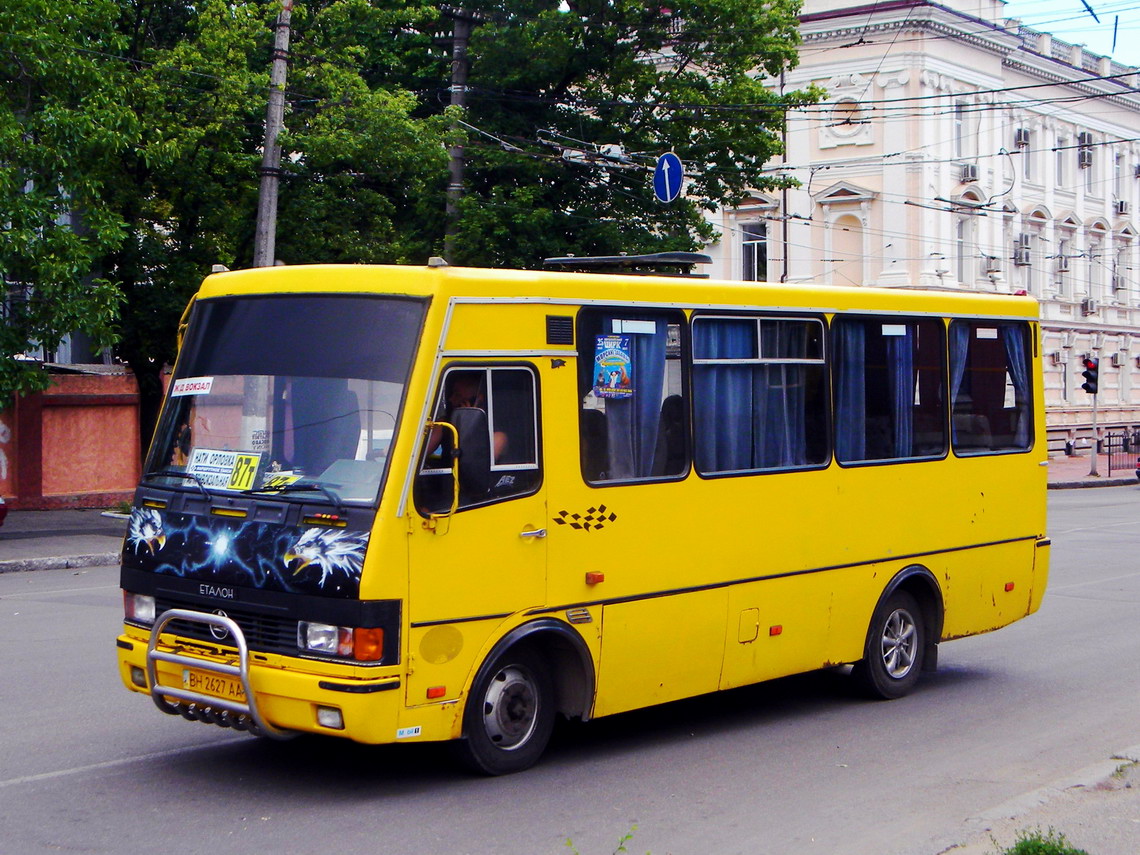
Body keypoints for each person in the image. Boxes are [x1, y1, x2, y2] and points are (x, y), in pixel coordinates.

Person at [427, 372, 508, 462]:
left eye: (458, 395)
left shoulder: (497, 437)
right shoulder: (445, 424)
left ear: (478, 400)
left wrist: (466, 425)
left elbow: (473, 469)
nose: (451, 399)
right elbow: (422, 451)